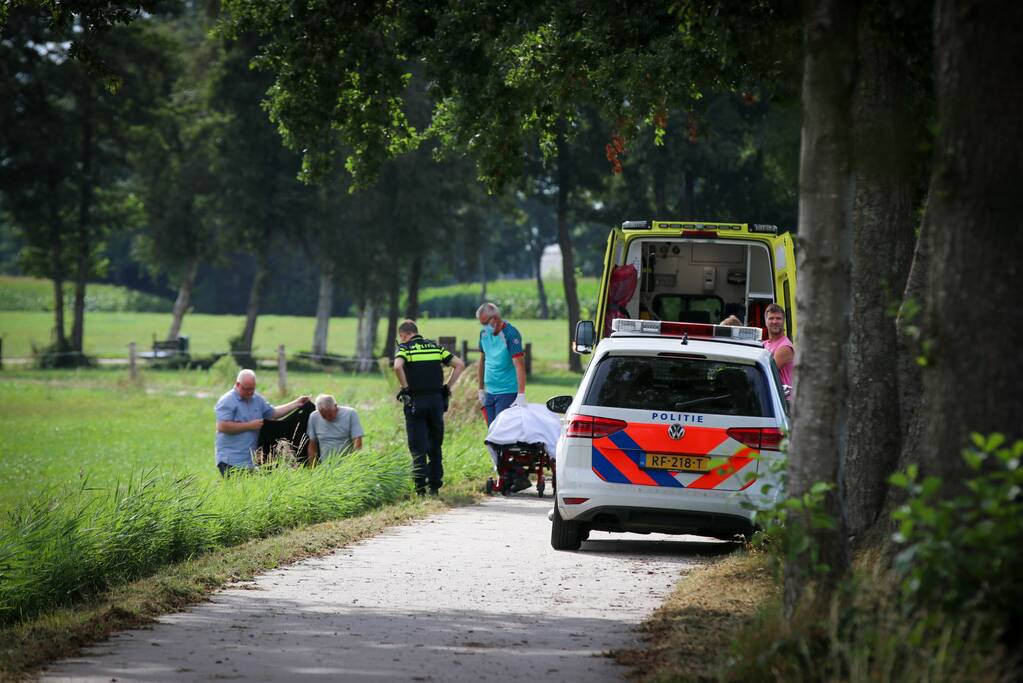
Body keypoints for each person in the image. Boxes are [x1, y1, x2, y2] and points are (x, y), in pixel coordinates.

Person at [393, 319, 465, 495]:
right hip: (436, 401)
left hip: (415, 401)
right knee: (435, 444)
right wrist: (447, 387)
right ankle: (434, 486)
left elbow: (397, 367)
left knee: (418, 446)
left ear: (404, 335)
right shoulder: (435, 347)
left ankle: (420, 488)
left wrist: (405, 388)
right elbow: (459, 365)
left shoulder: (405, 349)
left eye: (401, 337)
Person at [214, 369, 310, 475]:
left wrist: (297, 403)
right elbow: (222, 426)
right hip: (230, 460)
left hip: (250, 461)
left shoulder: (257, 399)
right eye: (247, 389)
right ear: (237, 384)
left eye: (252, 389)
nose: (250, 392)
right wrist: (250, 426)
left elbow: (273, 413)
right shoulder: (227, 401)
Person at [476, 302, 527, 426]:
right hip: (490, 392)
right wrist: (481, 389)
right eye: (481, 324)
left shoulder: (511, 334)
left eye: (485, 323)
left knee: (502, 433)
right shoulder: (483, 334)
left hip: (507, 392)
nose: (484, 327)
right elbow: (482, 360)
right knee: (491, 433)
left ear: (495, 318)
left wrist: (521, 394)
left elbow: (519, 365)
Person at [306, 393, 364, 466]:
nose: (327, 418)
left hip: (347, 465)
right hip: (326, 467)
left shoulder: (350, 414)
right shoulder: (314, 417)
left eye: (330, 414)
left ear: (336, 406)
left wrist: (354, 463)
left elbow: (358, 441)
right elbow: (312, 445)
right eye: (323, 416)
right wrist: (312, 468)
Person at [763, 303, 795, 388]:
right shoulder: (765, 344)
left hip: (784, 400)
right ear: (766, 322)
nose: (775, 322)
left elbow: (765, 372)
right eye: (771, 318)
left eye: (778, 318)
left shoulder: (784, 348)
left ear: (783, 321)